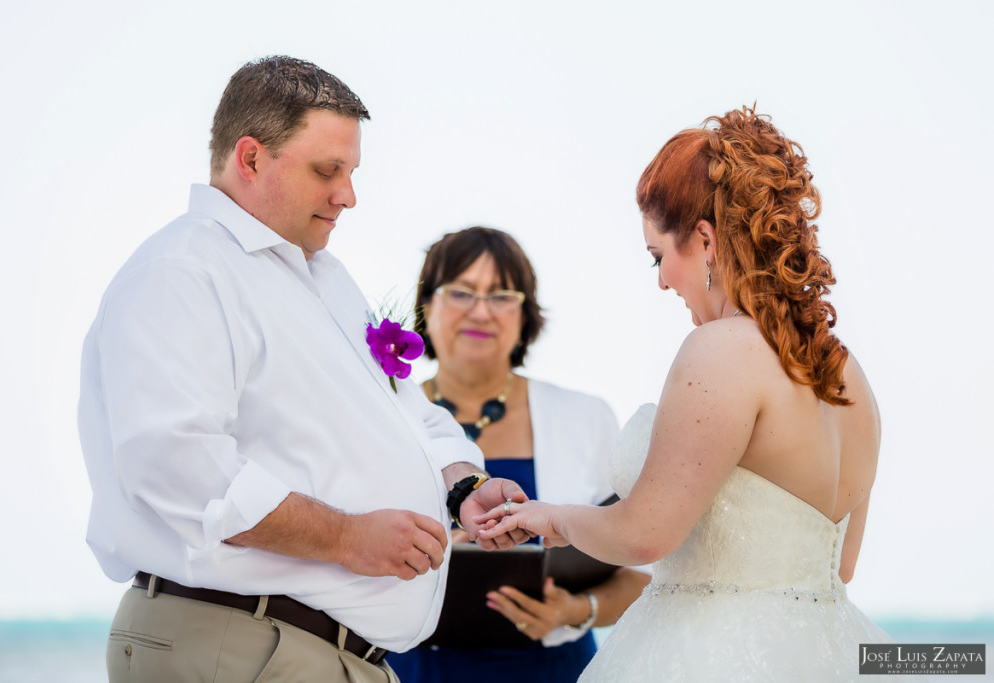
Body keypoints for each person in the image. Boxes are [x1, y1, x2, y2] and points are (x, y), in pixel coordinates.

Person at [78, 56, 528, 683]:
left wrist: (463, 488)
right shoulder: (182, 272)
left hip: (305, 653)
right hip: (239, 645)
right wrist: (347, 538)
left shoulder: (326, 281)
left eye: (351, 172)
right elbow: (174, 464)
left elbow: (408, 416)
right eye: (328, 170)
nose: (349, 195)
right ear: (252, 158)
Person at [477, 107, 894, 681]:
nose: (659, 280)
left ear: (704, 240)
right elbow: (840, 568)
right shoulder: (847, 372)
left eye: (658, 255)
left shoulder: (721, 349)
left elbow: (644, 535)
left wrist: (552, 518)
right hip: (828, 650)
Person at [386, 227, 651, 682]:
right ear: (426, 306)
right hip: (408, 669)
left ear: (525, 314)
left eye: (501, 295)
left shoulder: (585, 417)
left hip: (552, 669)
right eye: (462, 292)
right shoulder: (384, 414)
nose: (481, 311)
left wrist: (575, 609)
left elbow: (642, 571)